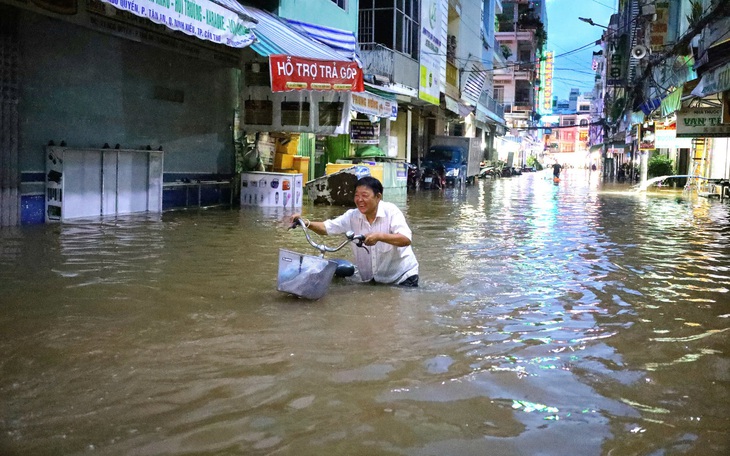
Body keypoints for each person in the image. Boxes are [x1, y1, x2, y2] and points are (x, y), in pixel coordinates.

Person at [291, 176, 419, 287]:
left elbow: (405, 239)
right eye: (357, 195)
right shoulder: (352, 216)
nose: (359, 200)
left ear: (378, 197)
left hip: (402, 277)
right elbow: (327, 227)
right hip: (374, 280)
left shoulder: (391, 211)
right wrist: (306, 223)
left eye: (364, 195)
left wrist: (379, 236)